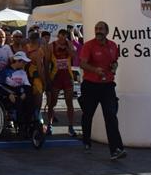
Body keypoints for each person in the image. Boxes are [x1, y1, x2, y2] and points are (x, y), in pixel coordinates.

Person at [79, 21, 126, 160]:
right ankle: (86, 141)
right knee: (88, 115)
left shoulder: (113, 45)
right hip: (91, 86)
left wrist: (114, 66)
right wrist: (95, 70)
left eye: (101, 29)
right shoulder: (88, 45)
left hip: (107, 86)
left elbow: (115, 61)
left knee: (111, 116)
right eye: (96, 29)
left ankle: (116, 149)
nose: (98, 31)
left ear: (107, 31)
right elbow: (82, 64)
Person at [46, 29, 77, 137]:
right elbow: (46, 61)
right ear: (58, 36)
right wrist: (47, 77)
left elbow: (74, 56)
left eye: (65, 37)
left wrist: (68, 48)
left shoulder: (69, 44)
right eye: (61, 36)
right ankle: (49, 126)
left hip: (67, 76)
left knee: (70, 103)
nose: (63, 39)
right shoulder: (51, 46)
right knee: (52, 103)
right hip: (55, 77)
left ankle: (71, 127)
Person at [0, 51, 34, 135]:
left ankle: (30, 124)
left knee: (30, 100)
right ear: (18, 61)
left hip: (20, 93)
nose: (25, 64)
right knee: (18, 102)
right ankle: (21, 125)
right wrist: (8, 94)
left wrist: (25, 93)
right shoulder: (4, 71)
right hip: (7, 95)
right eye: (23, 62)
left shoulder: (23, 73)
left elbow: (28, 86)